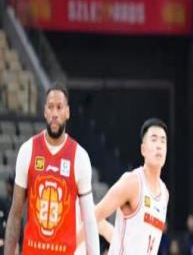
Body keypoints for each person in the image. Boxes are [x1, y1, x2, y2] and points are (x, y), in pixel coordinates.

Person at [4, 82, 99, 254]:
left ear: (67, 112)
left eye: (59, 107)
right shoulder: (28, 150)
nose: (55, 113)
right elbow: (15, 214)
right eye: (51, 107)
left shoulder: (79, 157)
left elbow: (90, 221)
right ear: (45, 111)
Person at [81, 118, 169, 254]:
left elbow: (133, 240)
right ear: (143, 149)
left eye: (163, 141)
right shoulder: (133, 182)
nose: (159, 146)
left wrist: (105, 229)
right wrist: (67, 246)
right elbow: (93, 217)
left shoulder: (164, 194)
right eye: (154, 139)